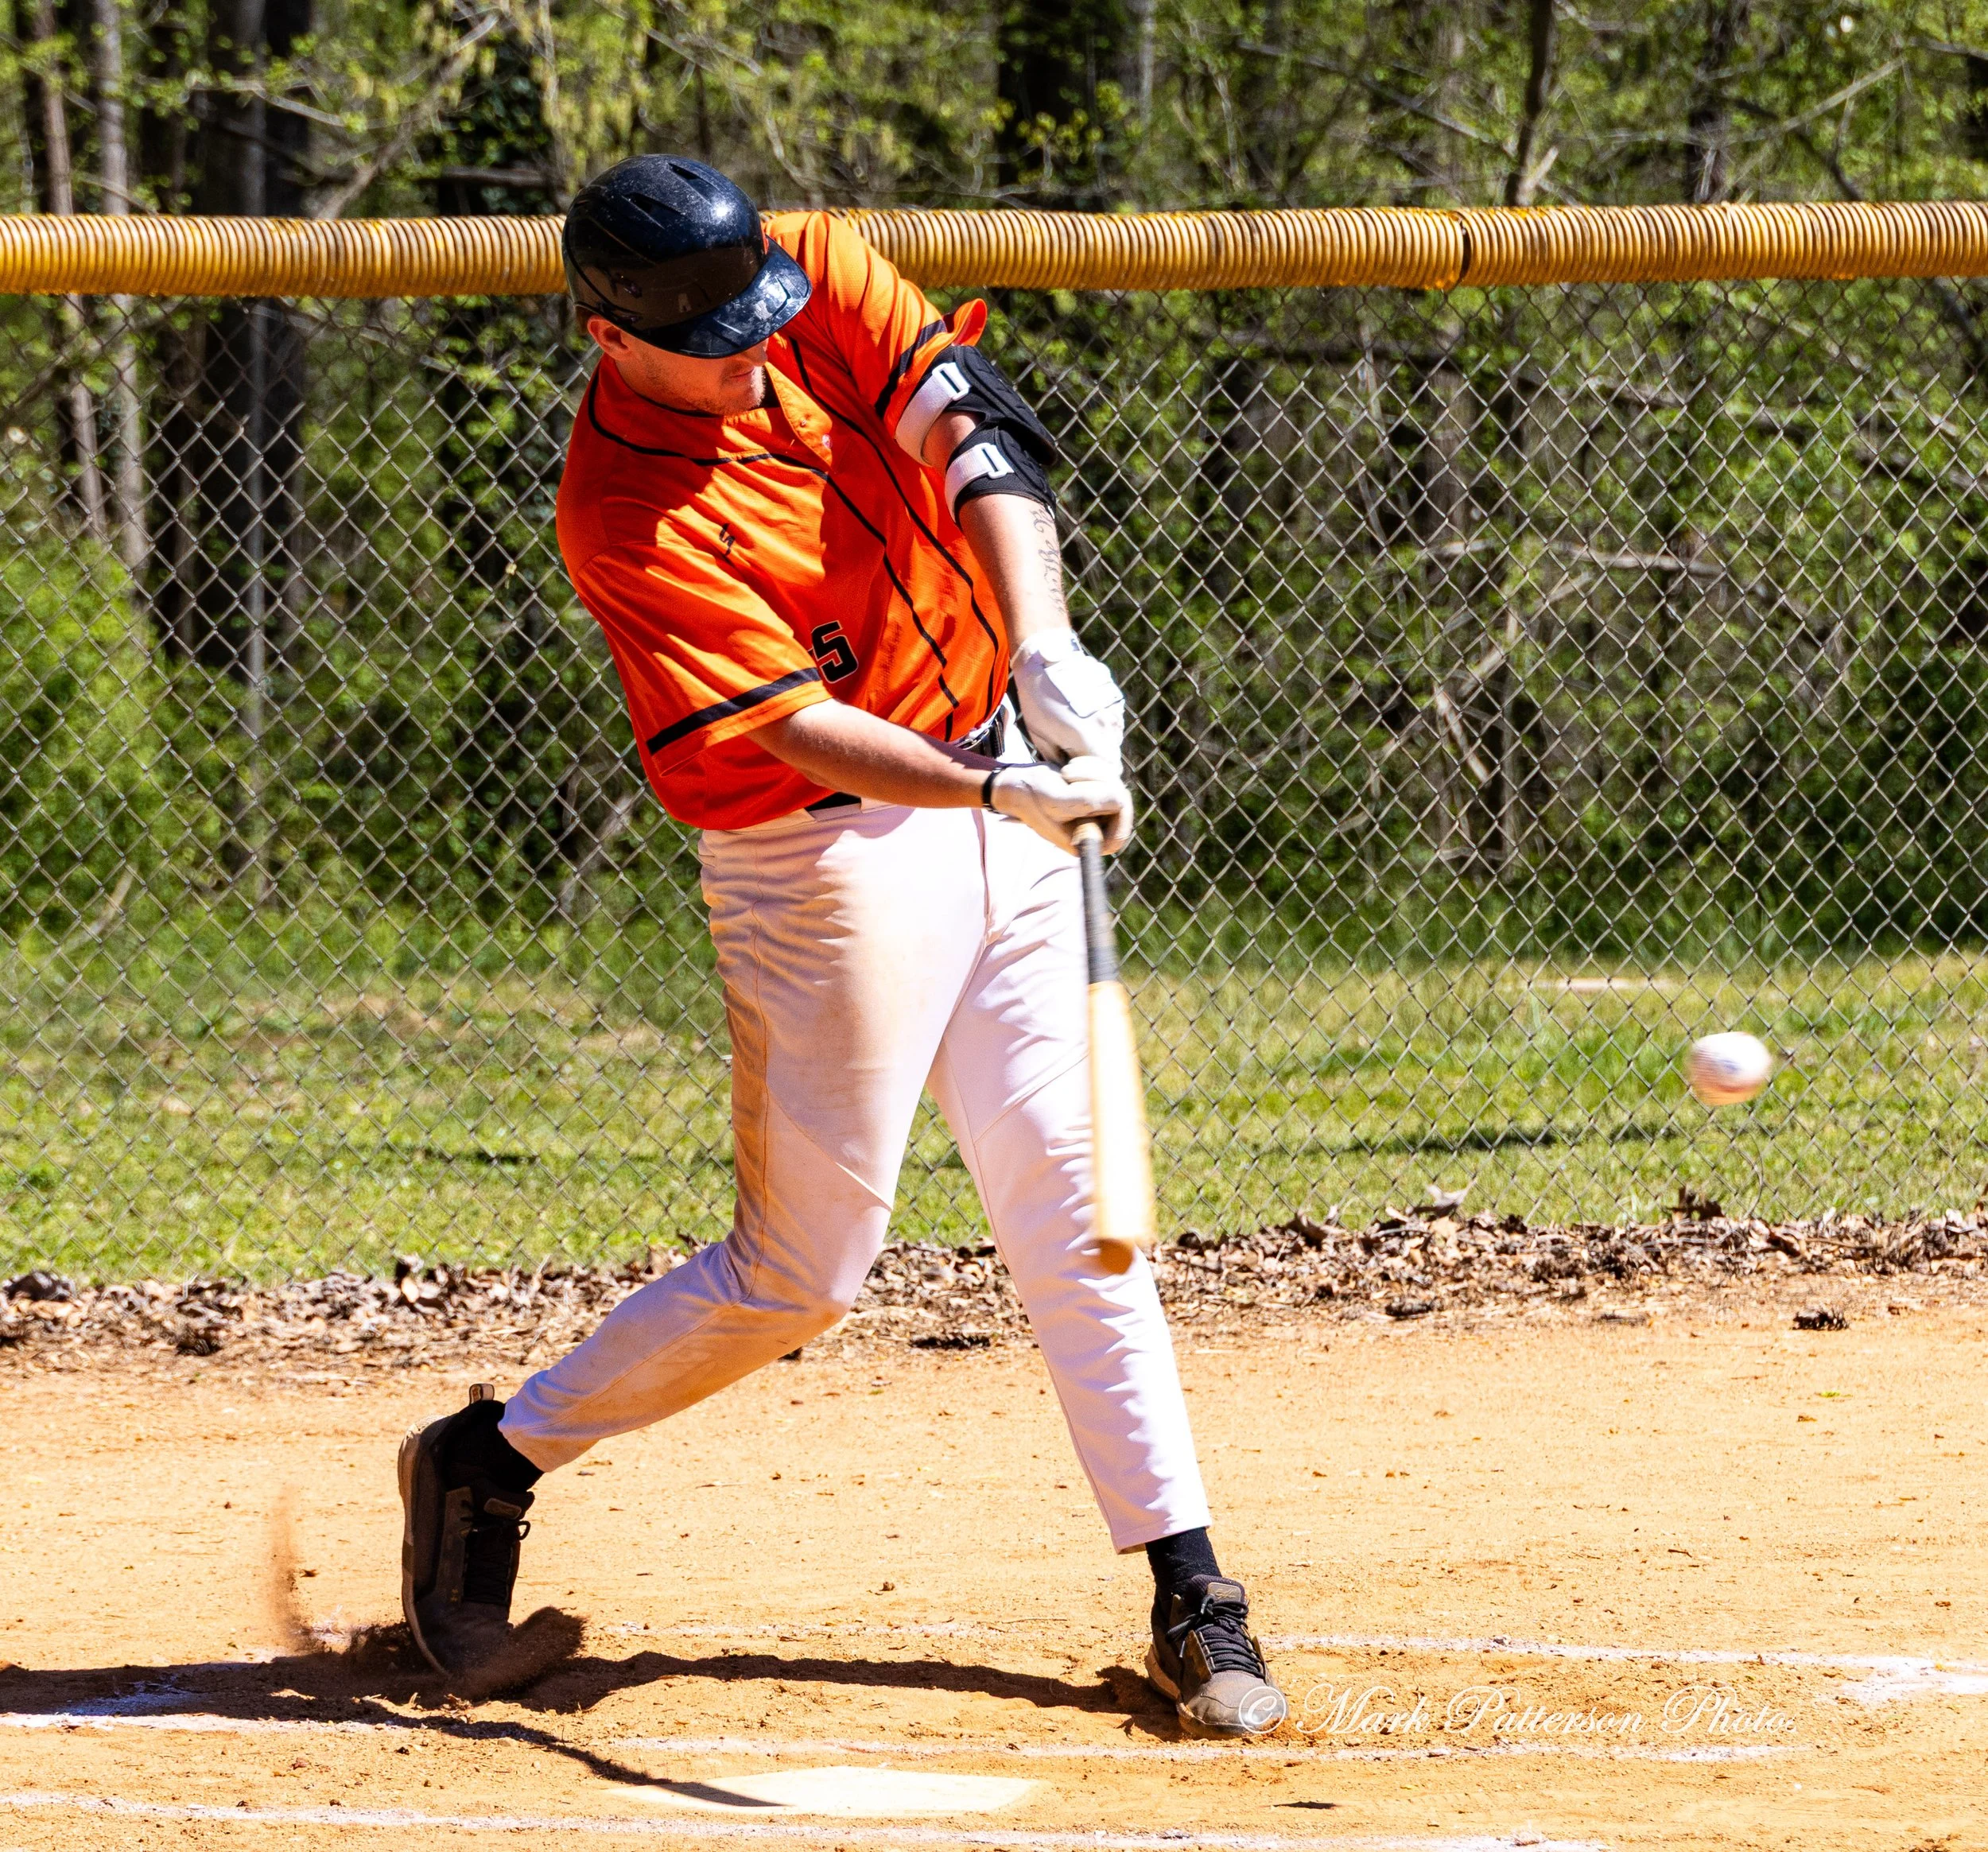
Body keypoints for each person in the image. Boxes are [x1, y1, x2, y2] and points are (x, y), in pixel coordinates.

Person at [397, 154, 1287, 1737]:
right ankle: (492, 1456)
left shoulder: (805, 264)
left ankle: (1189, 1587)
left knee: (1077, 1220)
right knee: (800, 1275)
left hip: (987, 757)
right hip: (818, 855)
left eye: (761, 315)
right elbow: (802, 731)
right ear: (609, 332)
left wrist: (1043, 642)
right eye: (714, 338)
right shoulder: (622, 507)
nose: (756, 346)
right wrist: (998, 785)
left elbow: (973, 438)